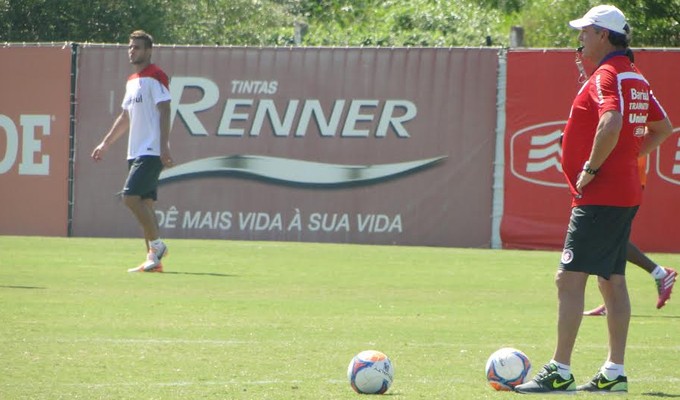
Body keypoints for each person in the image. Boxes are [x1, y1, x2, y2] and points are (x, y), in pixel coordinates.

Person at [515, 5, 674, 394]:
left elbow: (612, 121)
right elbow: (663, 128)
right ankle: (614, 372)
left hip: (600, 196)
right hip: (620, 194)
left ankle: (560, 369)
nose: (580, 37)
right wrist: (626, 159)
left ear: (603, 35)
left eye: (585, 31)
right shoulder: (634, 75)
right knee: (612, 280)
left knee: (568, 279)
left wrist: (592, 167)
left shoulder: (609, 74)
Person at [91, 30, 173, 273]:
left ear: (149, 51)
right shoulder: (132, 80)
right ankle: (153, 260)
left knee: (129, 197)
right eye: (130, 46)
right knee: (145, 204)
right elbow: (126, 116)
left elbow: (165, 109)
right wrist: (106, 143)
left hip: (151, 149)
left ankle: (157, 247)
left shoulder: (156, 75)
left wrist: (164, 145)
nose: (132, 50)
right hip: (135, 150)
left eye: (137, 47)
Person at [583, 158, 677, 316]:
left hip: (621, 179)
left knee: (607, 237)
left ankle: (660, 273)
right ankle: (611, 300)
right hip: (618, 179)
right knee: (606, 238)